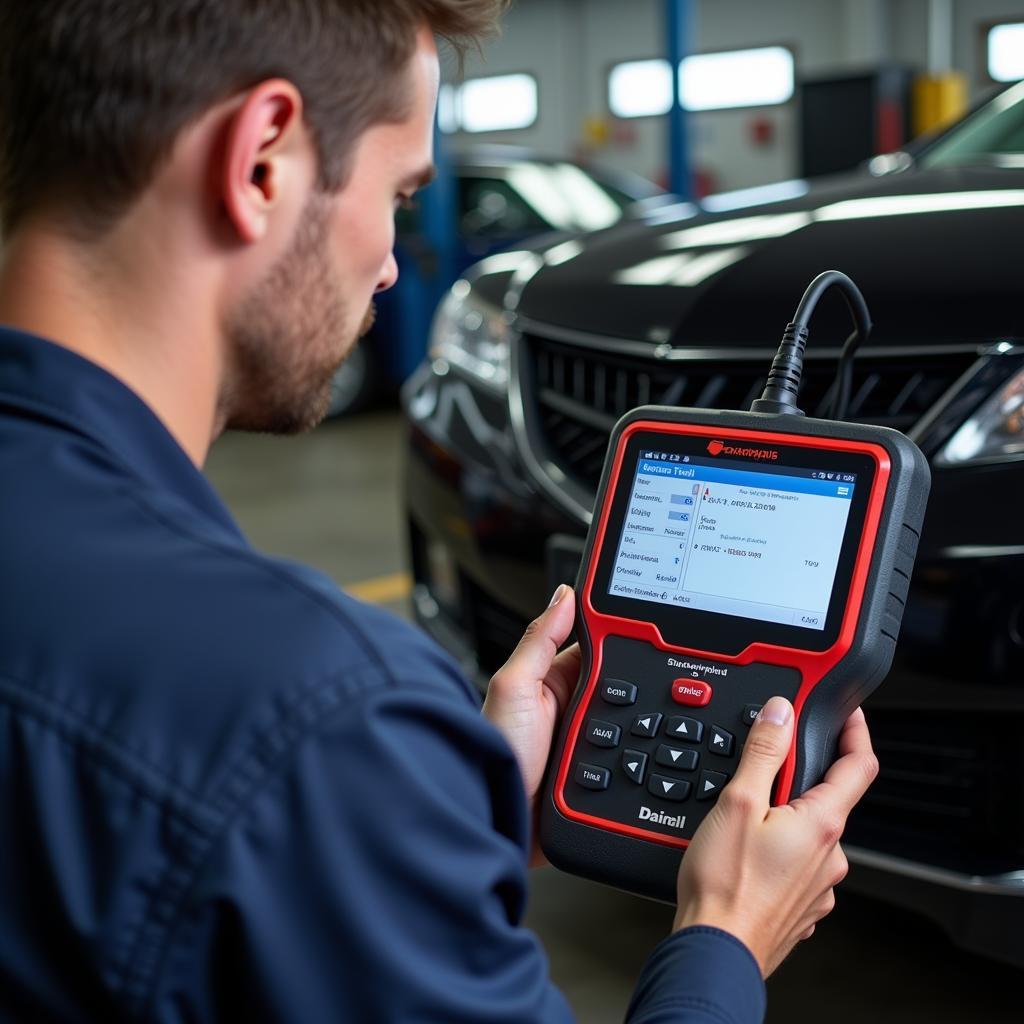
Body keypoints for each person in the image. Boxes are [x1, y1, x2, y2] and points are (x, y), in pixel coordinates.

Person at [0, 2, 877, 1021]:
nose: (387, 264)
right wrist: (723, 939)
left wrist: (427, 811)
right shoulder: (316, 714)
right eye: (401, 195)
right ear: (260, 161)